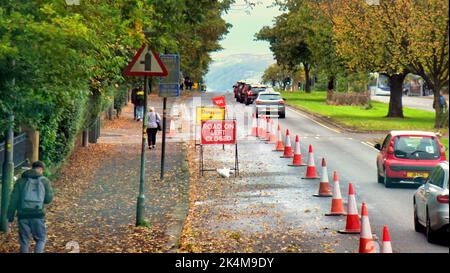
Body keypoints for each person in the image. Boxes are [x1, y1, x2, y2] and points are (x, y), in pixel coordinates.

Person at [7, 161, 54, 253]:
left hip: (22, 215)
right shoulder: (44, 181)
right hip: (38, 214)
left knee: (24, 241)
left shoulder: (21, 181)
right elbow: (48, 199)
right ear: (41, 169)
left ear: (32, 168)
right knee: (41, 239)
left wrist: (10, 218)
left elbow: (13, 200)